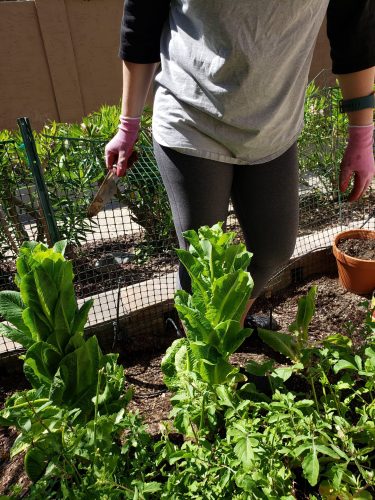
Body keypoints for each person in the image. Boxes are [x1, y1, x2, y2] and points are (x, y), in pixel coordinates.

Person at [105, 0, 374, 325]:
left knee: (273, 250)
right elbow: (141, 23)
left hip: (274, 127)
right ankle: (204, 357)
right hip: (191, 119)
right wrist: (127, 125)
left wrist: (361, 134)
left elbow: (355, 37)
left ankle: (227, 325)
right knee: (202, 262)